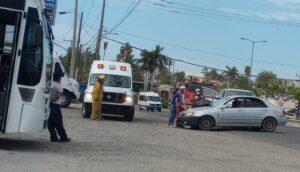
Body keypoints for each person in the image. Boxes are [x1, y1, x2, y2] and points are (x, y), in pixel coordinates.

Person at [48, 73, 71, 142]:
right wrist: (51, 101)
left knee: (50, 123)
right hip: (55, 105)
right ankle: (63, 137)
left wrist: (48, 101)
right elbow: (58, 96)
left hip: (49, 106)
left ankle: (53, 137)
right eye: (60, 77)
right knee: (58, 122)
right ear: (58, 78)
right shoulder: (59, 86)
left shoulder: (50, 84)